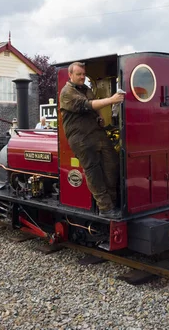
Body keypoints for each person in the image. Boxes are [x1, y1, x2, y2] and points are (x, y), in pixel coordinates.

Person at [59, 61, 125, 219]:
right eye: (79, 74)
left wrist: (100, 118)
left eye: (83, 74)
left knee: (113, 163)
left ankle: (112, 202)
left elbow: (93, 106)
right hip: (81, 138)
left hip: (96, 133)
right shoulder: (66, 92)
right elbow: (86, 105)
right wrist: (112, 100)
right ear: (70, 75)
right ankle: (105, 208)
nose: (82, 77)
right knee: (93, 171)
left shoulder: (86, 89)